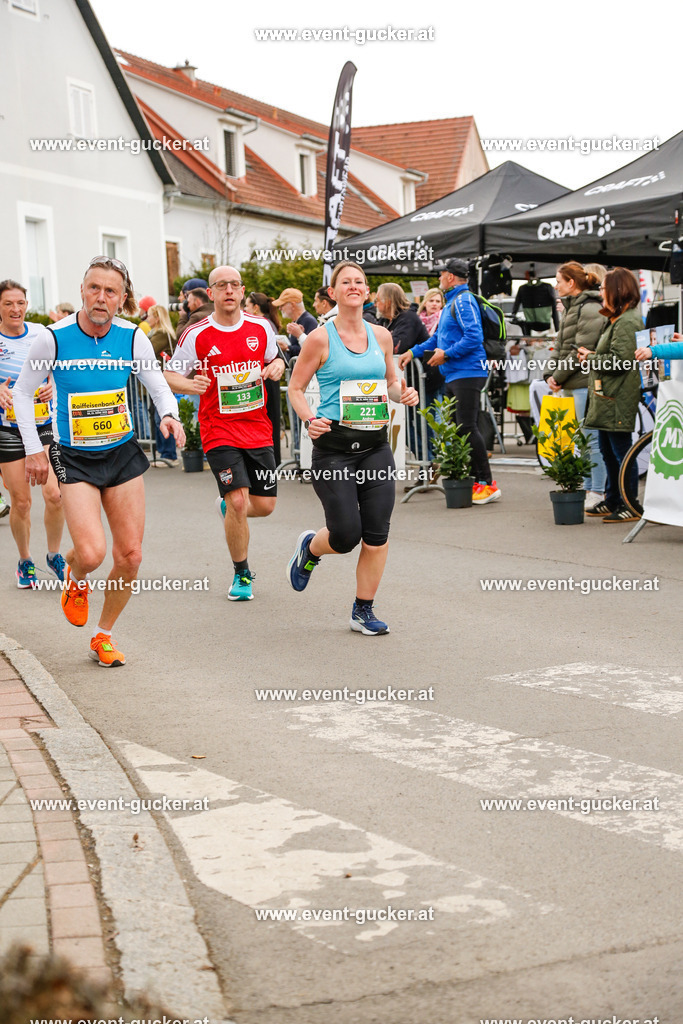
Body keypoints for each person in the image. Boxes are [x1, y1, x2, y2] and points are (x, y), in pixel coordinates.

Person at [14, 256, 185, 666]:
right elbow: (22, 392)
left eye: (110, 291)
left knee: (130, 556)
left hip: (122, 452)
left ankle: (102, 636)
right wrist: (34, 450)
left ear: (122, 299)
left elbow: (157, 385)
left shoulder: (132, 337)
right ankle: (75, 572)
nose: (101, 297)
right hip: (73, 456)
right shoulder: (53, 338)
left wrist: (169, 415)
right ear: (82, 290)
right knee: (91, 554)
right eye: (94, 288)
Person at [286, 260, 419, 635]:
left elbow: (392, 381)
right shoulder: (320, 338)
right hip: (334, 448)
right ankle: (311, 548)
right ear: (333, 292)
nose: (354, 286)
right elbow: (296, 389)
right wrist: (310, 420)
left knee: (376, 534)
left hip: (376, 446)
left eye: (360, 281)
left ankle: (363, 610)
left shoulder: (382, 336)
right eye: (346, 282)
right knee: (345, 535)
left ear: (368, 291)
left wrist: (402, 392)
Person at [165, 265, 285, 602]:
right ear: (212, 293)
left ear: (242, 290)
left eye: (235, 285)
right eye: (222, 285)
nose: (229, 290)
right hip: (218, 427)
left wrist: (278, 366)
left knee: (265, 505)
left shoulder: (261, 327)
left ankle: (229, 509)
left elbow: (275, 360)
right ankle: (242, 573)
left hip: (257, 427)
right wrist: (191, 384)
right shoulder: (197, 333)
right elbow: (170, 374)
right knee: (237, 500)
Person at [398, 258, 501, 505]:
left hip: (468, 370)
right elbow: (437, 339)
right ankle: (478, 480)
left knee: (467, 426)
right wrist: (413, 352)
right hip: (457, 372)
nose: (439, 279)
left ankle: (487, 483)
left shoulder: (463, 301)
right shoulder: (453, 302)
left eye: (441, 274)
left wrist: (447, 354)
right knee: (461, 427)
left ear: (451, 277)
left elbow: (473, 338)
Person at [0, 280, 65, 587]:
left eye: (20, 303)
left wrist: (54, 383)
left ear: (27, 304)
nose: (16, 309)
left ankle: (54, 555)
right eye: (8, 304)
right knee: (22, 502)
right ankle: (25, 560)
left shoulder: (42, 333)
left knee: (55, 494)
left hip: (43, 425)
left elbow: (58, 368)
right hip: (8, 430)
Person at [577, 268, 643, 523]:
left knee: (621, 451)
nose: (600, 293)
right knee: (608, 450)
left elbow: (620, 362)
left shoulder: (627, 321)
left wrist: (591, 357)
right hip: (608, 396)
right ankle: (614, 498)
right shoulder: (617, 318)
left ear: (616, 290)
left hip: (617, 396)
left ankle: (630, 503)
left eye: (604, 289)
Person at [544, 262, 606, 504]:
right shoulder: (571, 308)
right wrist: (549, 374)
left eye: (559, 281)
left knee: (591, 439)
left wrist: (556, 376)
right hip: (571, 383)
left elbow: (580, 349)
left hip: (583, 383)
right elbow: (560, 345)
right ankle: (591, 488)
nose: (556, 285)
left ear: (571, 283)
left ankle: (597, 491)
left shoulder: (589, 308)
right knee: (583, 440)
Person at [244, 291, 284, 466]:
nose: (243, 309)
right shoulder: (264, 323)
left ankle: (270, 460)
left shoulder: (263, 325)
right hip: (264, 376)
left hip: (266, 376)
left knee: (268, 419)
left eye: (246, 305)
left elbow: (274, 354)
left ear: (255, 307)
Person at [147, 305, 178, 464]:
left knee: (163, 416)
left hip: (162, 380)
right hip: (158, 379)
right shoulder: (156, 333)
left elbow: (147, 352)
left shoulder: (161, 334)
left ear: (157, 318)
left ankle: (169, 454)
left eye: (149, 316)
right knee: (157, 416)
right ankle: (164, 453)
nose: (147, 319)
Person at [272, 288, 318, 357]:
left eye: (282, 305)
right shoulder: (299, 320)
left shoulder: (309, 321)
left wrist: (287, 348)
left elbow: (311, 350)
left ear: (293, 305)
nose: (280, 308)